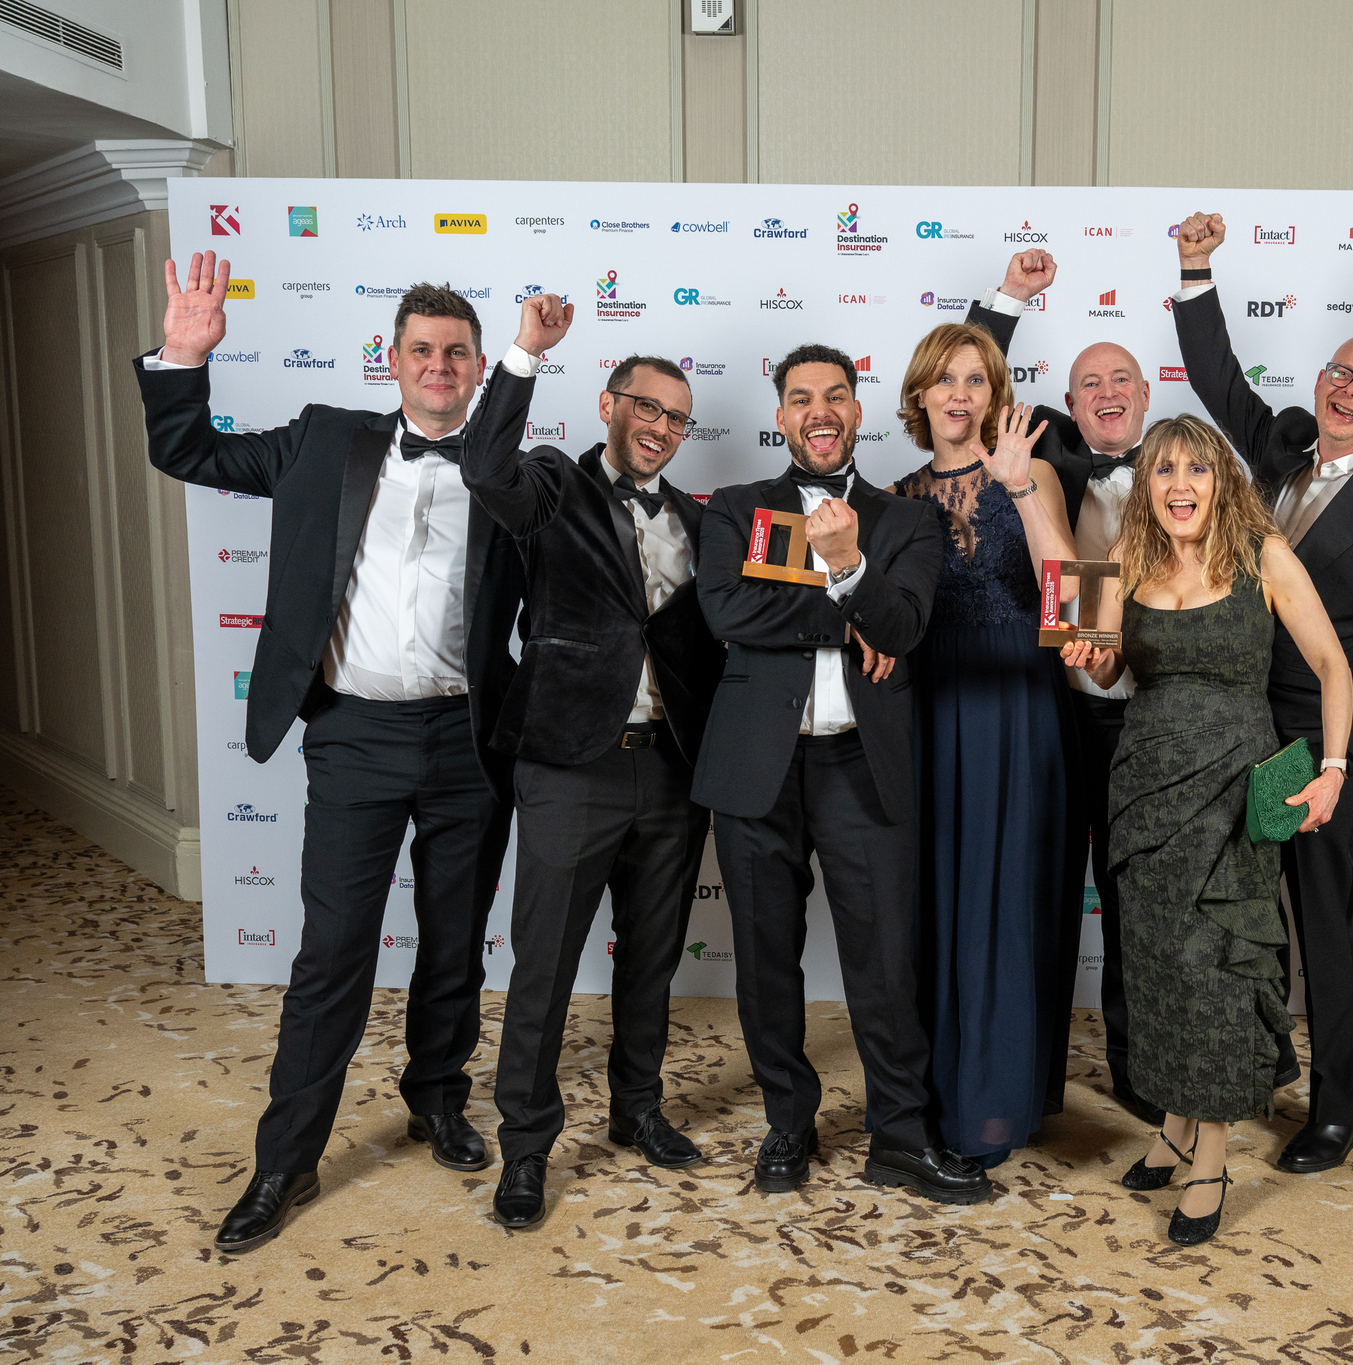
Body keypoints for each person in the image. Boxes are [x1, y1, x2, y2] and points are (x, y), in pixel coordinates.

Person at [135, 257, 521, 1252]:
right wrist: (182, 357)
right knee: (333, 951)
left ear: (480, 368)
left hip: (469, 738)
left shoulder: (511, 472)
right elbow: (186, 450)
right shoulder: (322, 440)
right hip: (354, 734)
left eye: (457, 352)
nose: (439, 366)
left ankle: (437, 1097)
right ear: (392, 361)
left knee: (454, 940)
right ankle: (286, 1159)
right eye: (422, 350)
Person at [1170, 212, 1353, 1173]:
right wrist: (1196, 269)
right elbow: (1219, 380)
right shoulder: (1283, 447)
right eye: (1342, 373)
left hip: (1310, 741)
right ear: (1323, 380)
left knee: (1325, 925)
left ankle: (1339, 1110)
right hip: (1227, 722)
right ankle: (1251, 1069)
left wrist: (1338, 764)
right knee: (1240, 916)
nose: (1351, 391)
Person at [692, 344, 993, 1206]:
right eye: (800, 398)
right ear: (781, 417)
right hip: (758, 766)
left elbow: (902, 626)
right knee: (764, 960)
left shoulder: (908, 520)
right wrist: (847, 606)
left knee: (887, 962)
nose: (818, 411)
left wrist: (855, 568)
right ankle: (788, 1123)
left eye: (834, 396)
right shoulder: (739, 507)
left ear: (858, 411)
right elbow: (727, 610)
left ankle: (900, 1135)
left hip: (865, 764)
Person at [458, 294, 728, 1228]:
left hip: (670, 768)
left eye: (677, 418)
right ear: (608, 405)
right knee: (544, 963)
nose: (661, 427)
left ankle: (636, 1107)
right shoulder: (550, 485)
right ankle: (526, 1145)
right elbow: (482, 466)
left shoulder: (697, 519)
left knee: (652, 957)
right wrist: (525, 354)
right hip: (571, 765)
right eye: (647, 407)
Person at [1063, 413, 1350, 1247]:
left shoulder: (1264, 555)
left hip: (1233, 786)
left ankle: (1212, 1157)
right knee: (1158, 965)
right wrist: (1088, 655)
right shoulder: (1127, 555)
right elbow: (1109, 669)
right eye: (1164, 470)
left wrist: (1334, 768)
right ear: (1147, 486)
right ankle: (1174, 1124)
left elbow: (1332, 664)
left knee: (1216, 967)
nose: (1180, 484)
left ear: (1221, 480)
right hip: (1146, 785)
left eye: (1197, 468)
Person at [967, 250, 1165, 1125]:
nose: (1107, 393)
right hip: (1055, 715)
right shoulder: (1041, 450)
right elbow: (966, 381)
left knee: (1134, 901)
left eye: (1121, 380)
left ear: (1147, 395)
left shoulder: (1187, 467)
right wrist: (1011, 298)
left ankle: (1136, 1066)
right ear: (1068, 404)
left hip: (1149, 720)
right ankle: (1034, 1070)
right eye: (1090, 384)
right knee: (1042, 890)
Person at [889, 319, 1076, 1169]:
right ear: (920, 394)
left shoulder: (1033, 471)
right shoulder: (894, 495)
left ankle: (995, 1101)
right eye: (945, 378)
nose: (960, 394)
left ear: (996, 395)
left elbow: (1070, 596)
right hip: (929, 706)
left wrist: (1022, 488)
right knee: (932, 898)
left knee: (1004, 895)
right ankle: (932, 1095)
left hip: (1015, 704)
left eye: (976, 379)